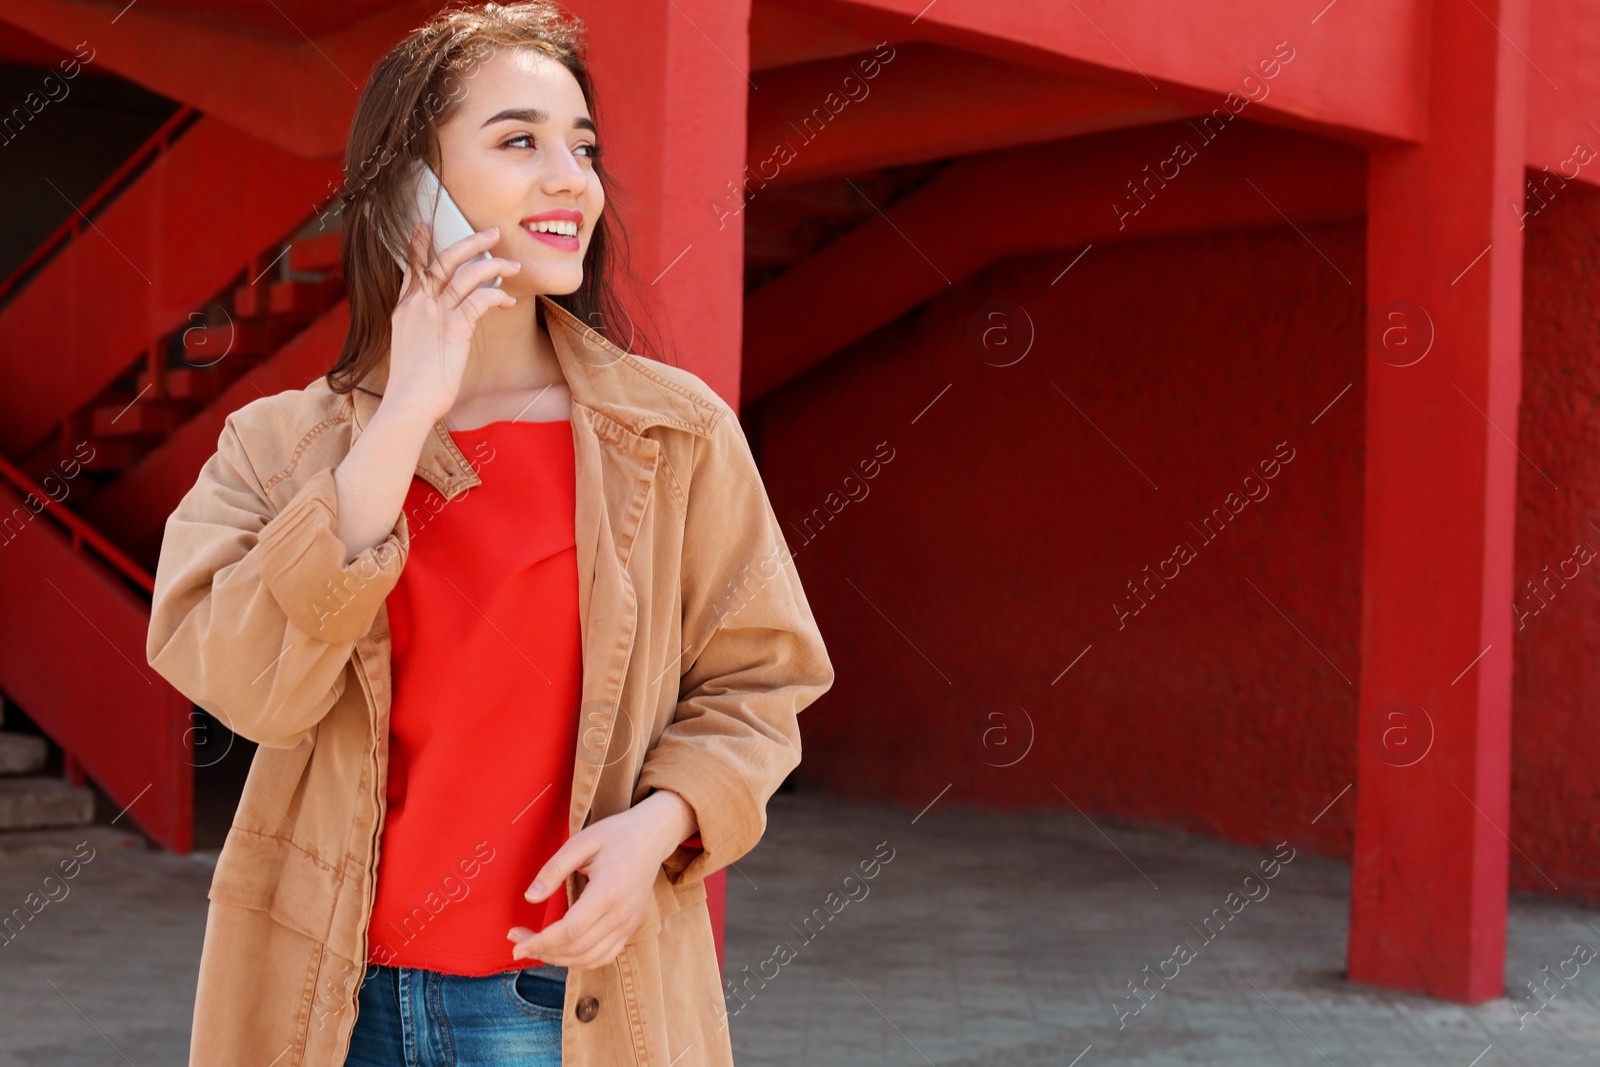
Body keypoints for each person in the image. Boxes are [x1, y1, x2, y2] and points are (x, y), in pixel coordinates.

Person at [145, 3, 835, 1064]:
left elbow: (762, 680)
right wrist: (404, 408)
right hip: (324, 1002)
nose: (572, 177)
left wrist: (661, 825)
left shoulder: (673, 431)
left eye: (582, 146)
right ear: (406, 188)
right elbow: (249, 688)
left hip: (556, 1000)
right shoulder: (276, 446)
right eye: (519, 141)